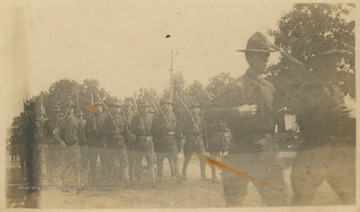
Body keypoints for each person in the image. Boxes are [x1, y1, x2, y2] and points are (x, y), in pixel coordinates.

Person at [204, 32, 287, 207]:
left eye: (267, 55)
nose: (266, 59)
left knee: (279, 202)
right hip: (241, 152)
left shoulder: (270, 88)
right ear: (249, 57)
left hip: (267, 154)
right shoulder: (236, 87)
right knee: (234, 203)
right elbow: (208, 111)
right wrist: (237, 111)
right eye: (261, 55)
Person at [289, 42, 355, 205]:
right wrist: (332, 113)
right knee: (302, 200)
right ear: (319, 65)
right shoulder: (306, 89)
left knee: (350, 198)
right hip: (313, 152)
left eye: (336, 63)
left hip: (337, 155)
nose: (335, 67)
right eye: (330, 63)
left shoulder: (335, 90)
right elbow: (304, 120)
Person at [152, 98, 182, 183]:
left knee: (175, 159)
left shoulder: (174, 116)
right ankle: (160, 177)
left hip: (172, 141)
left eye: (169, 105)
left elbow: (178, 130)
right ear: (161, 106)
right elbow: (154, 130)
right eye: (165, 105)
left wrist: (179, 143)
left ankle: (178, 177)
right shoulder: (157, 117)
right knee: (160, 160)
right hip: (161, 140)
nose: (167, 107)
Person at [104, 99, 129, 185]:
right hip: (111, 143)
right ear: (111, 108)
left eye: (118, 107)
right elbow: (103, 131)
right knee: (110, 162)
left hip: (121, 144)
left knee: (124, 161)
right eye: (114, 107)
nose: (116, 109)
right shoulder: (107, 119)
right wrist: (112, 132)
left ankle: (125, 180)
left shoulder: (123, 119)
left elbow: (126, 132)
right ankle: (110, 181)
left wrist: (125, 141)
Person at [180, 102, 208, 181]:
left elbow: (204, 132)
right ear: (191, 110)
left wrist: (206, 143)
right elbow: (183, 131)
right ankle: (183, 174)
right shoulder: (187, 119)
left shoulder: (201, 120)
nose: (196, 110)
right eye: (194, 108)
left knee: (202, 159)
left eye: (197, 108)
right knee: (187, 159)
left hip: (199, 141)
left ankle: (203, 176)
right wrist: (193, 131)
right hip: (190, 141)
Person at [130, 100, 156, 184]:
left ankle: (153, 179)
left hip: (149, 142)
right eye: (143, 107)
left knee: (151, 160)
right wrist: (137, 129)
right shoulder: (136, 117)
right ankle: (139, 179)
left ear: (148, 108)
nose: (145, 109)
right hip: (139, 142)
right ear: (141, 108)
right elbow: (132, 129)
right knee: (138, 161)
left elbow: (156, 129)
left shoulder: (152, 117)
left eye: (147, 107)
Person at [56, 105, 81, 191]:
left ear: (73, 110)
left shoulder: (77, 121)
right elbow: (55, 133)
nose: (70, 110)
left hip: (74, 147)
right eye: (68, 108)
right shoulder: (60, 121)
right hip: (64, 147)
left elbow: (81, 135)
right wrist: (60, 141)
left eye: (71, 108)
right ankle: (65, 186)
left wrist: (80, 144)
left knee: (76, 165)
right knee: (64, 166)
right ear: (64, 109)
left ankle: (77, 185)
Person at [85, 101, 108, 184]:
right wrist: (92, 131)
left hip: (103, 143)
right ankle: (92, 181)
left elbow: (109, 130)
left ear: (102, 108)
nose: (99, 109)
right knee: (92, 162)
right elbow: (86, 131)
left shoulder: (106, 117)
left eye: (100, 107)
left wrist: (103, 132)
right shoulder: (90, 118)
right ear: (94, 108)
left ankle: (105, 181)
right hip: (93, 143)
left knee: (104, 162)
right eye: (97, 107)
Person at [43, 106, 63, 184]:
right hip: (51, 144)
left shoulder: (61, 121)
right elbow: (44, 133)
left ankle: (59, 179)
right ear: (52, 113)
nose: (56, 114)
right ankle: (51, 180)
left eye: (57, 112)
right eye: (54, 112)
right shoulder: (47, 122)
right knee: (50, 162)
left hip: (60, 144)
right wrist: (47, 142)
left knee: (60, 161)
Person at [75, 109, 88, 185]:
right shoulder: (76, 123)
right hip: (78, 143)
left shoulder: (85, 122)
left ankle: (86, 172)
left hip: (85, 143)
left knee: (85, 158)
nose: (80, 117)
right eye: (78, 116)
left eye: (81, 116)